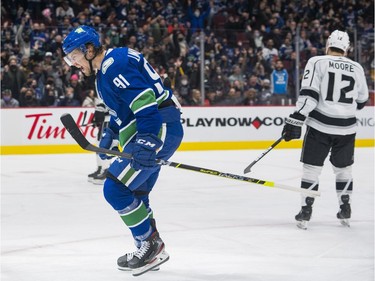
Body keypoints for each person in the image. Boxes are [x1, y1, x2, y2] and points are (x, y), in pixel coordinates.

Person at [62, 25, 183, 275]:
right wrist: (111, 135)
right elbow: (123, 112)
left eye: (73, 57)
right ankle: (146, 247)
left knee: (115, 189)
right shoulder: (105, 71)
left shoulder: (114, 64)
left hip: (156, 128)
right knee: (136, 191)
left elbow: (145, 102)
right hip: (149, 128)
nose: (72, 63)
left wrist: (148, 140)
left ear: (88, 49)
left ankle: (151, 245)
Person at [281, 30, 369, 230]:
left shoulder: (317, 61)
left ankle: (306, 211)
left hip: (320, 126)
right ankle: (345, 208)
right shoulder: (356, 67)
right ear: (347, 48)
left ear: (328, 43)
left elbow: (310, 95)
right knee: (344, 170)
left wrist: (297, 117)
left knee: (312, 169)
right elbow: (362, 101)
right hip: (347, 128)